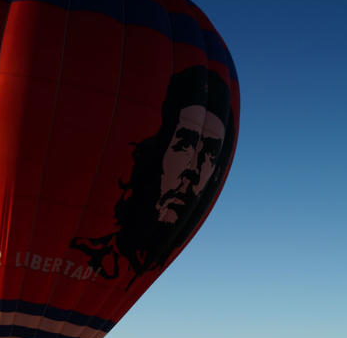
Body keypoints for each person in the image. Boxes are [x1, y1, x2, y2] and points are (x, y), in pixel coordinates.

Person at [70, 66, 235, 284]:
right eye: (185, 144)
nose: (193, 171)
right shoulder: (89, 254)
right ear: (156, 149)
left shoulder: (141, 264)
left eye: (211, 154)